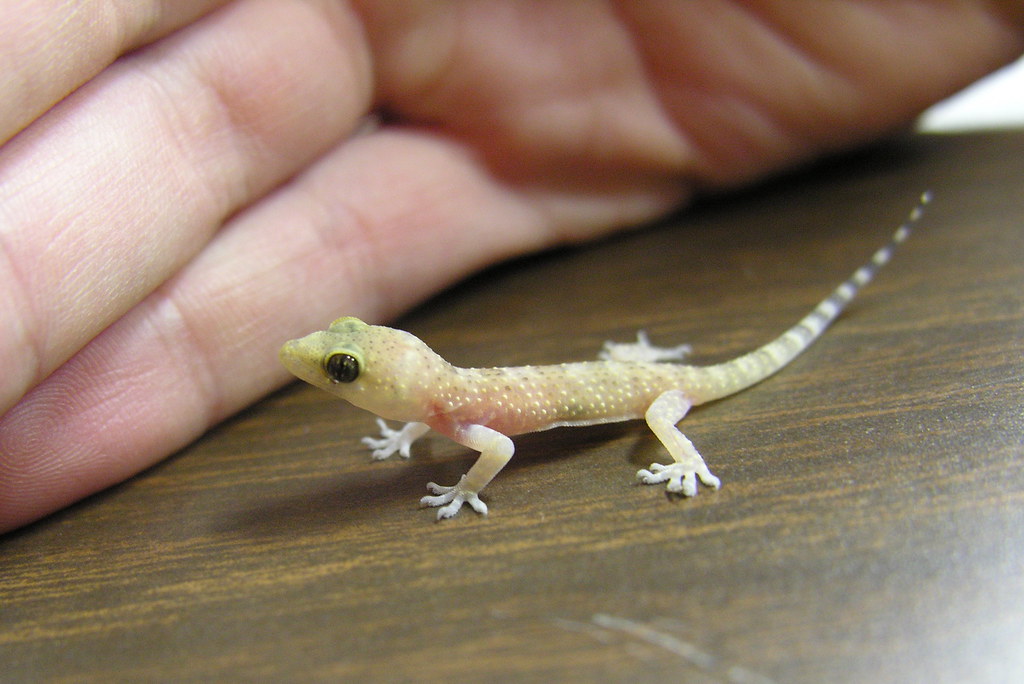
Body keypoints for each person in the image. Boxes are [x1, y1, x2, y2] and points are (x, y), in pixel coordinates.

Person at [0, 2, 1021, 533]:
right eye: (339, 358)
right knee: (608, 369)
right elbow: (448, 426)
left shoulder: (464, 423)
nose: (319, 363)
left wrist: (464, 484)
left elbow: (490, 455)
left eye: (340, 364)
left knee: (658, 410)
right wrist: (413, 438)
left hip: (653, 392)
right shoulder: (439, 400)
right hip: (605, 363)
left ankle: (685, 444)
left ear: (397, 369)